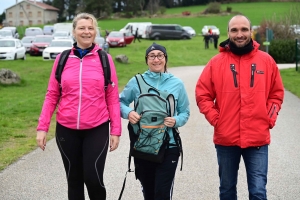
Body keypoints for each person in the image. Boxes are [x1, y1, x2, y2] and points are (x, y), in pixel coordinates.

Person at [195, 15, 284, 200]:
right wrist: (216, 119)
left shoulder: (266, 61)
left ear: (251, 32)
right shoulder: (216, 63)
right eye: (234, 30)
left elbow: (276, 94)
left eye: (244, 29)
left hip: (257, 138)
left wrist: (269, 118)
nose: (239, 34)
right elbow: (202, 94)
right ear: (228, 33)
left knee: (258, 192)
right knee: (227, 190)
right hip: (226, 138)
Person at [36, 13, 121, 200]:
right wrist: (42, 128)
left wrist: (116, 130)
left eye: (90, 28)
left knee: (93, 177)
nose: (86, 32)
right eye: (82, 28)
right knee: (73, 180)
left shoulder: (105, 60)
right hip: (66, 129)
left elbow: (112, 98)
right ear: (74, 31)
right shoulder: (62, 59)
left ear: (95, 31)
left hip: (96, 128)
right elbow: (51, 95)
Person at [119, 43, 190, 199]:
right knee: (149, 192)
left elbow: (185, 112)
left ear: (165, 59)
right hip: (144, 145)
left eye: (160, 55)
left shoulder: (177, 83)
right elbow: (119, 102)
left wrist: (176, 120)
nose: (156, 59)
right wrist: (128, 112)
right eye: (152, 56)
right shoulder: (136, 81)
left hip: (169, 145)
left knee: (162, 193)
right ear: (146, 60)